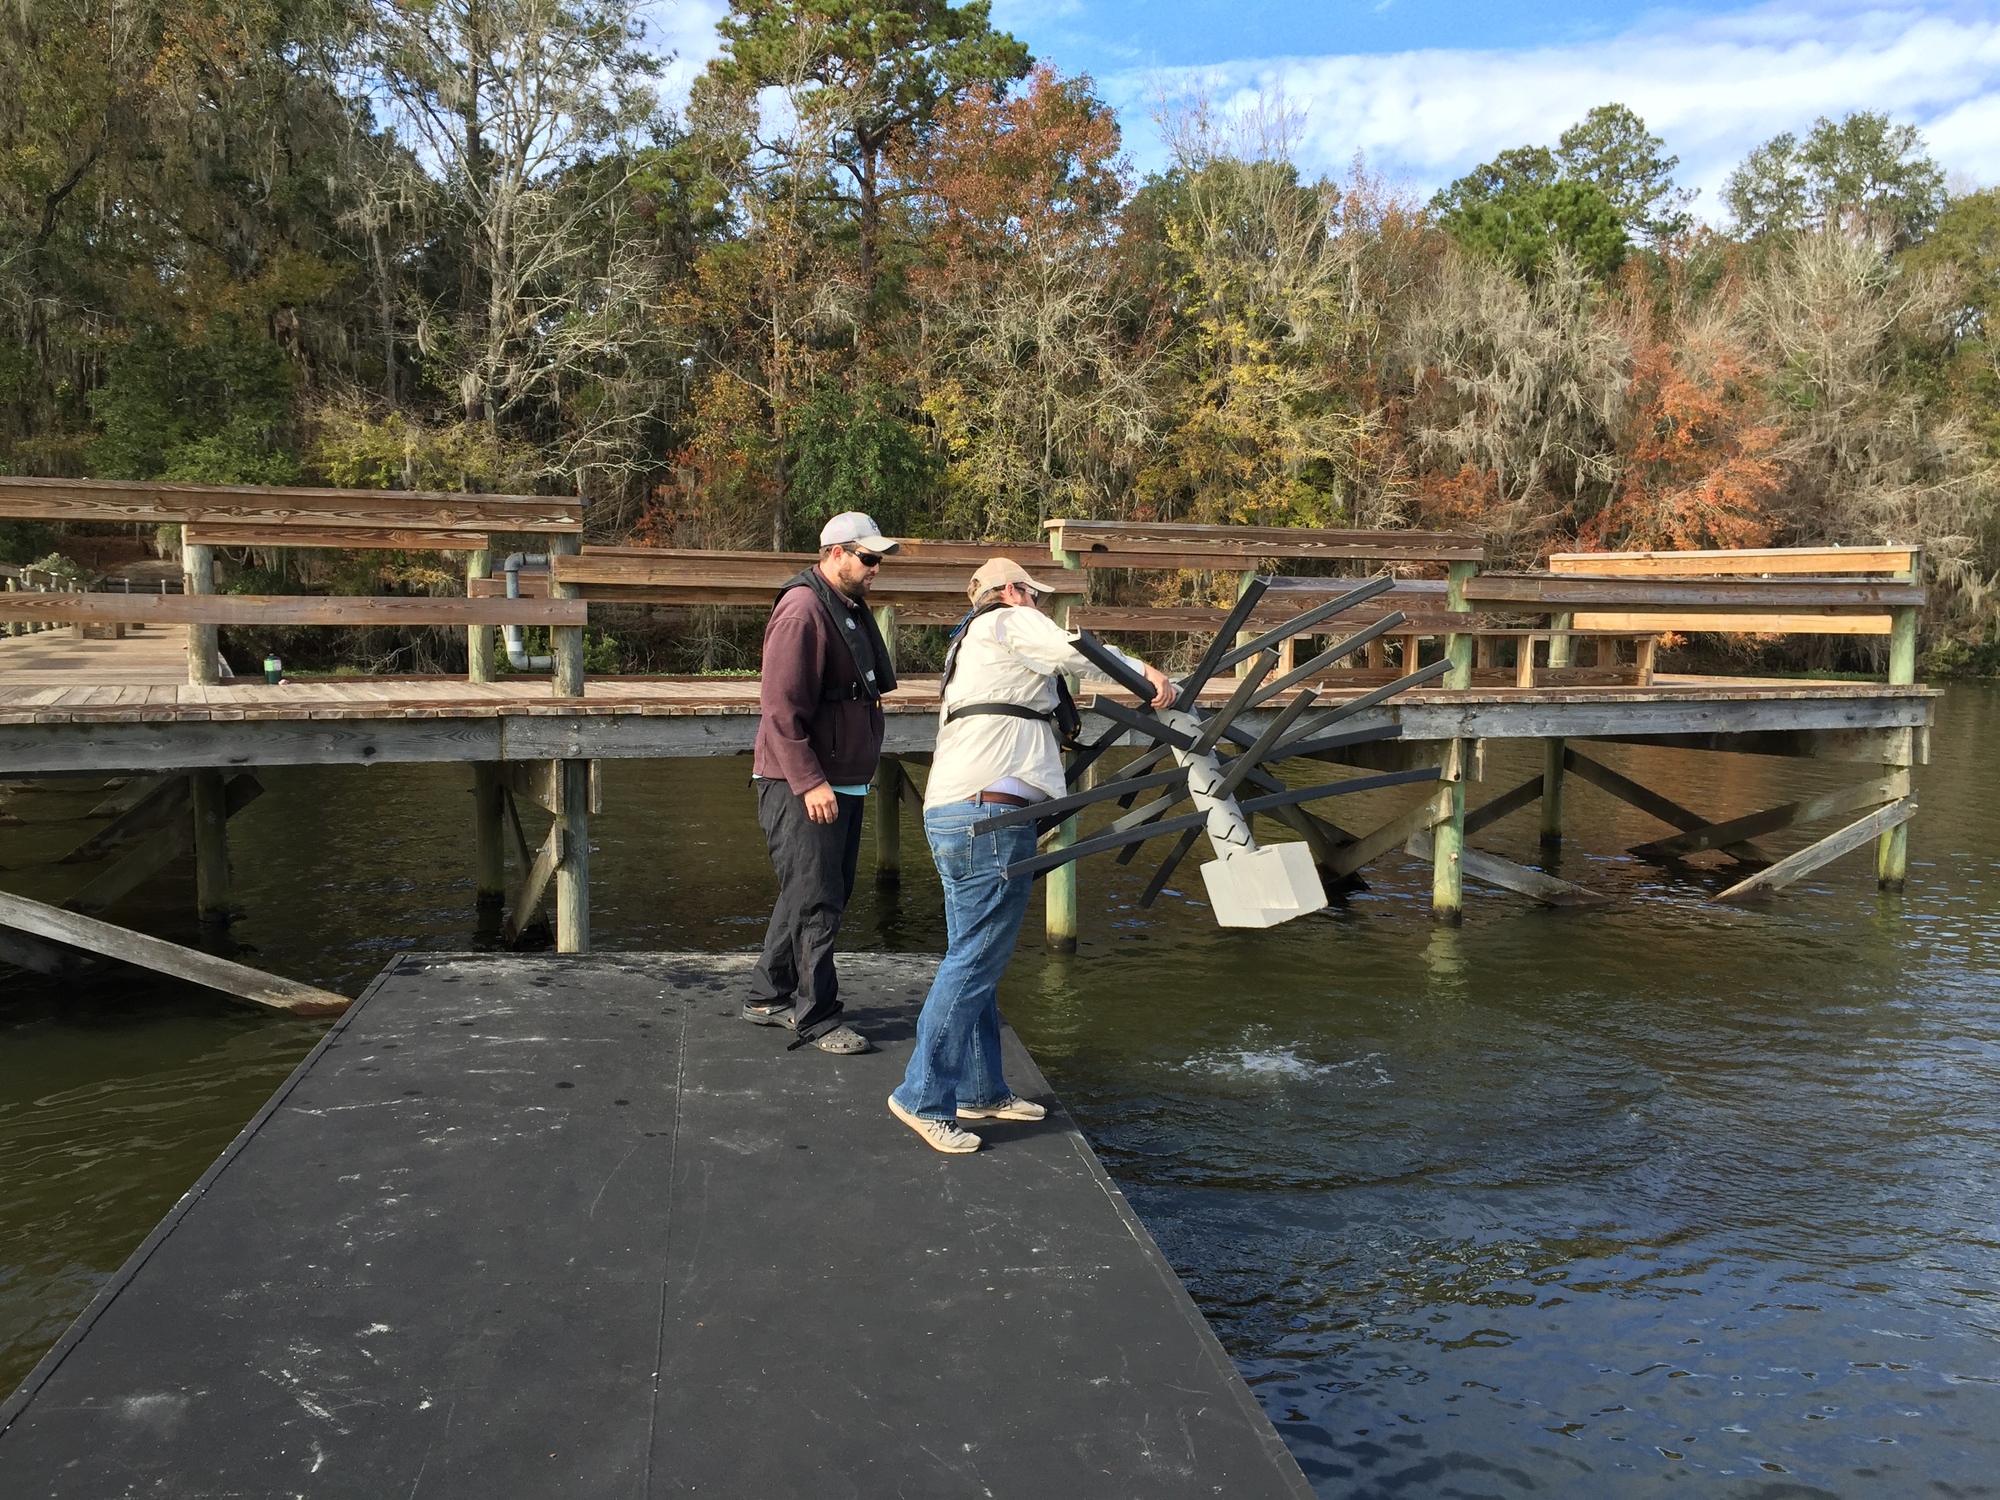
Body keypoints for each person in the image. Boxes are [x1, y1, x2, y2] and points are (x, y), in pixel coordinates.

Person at [887, 558, 1175, 1153]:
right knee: (973, 961)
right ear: (1012, 591)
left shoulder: (976, 643)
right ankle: (921, 1096)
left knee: (975, 958)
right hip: (987, 817)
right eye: (1035, 596)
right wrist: (1147, 675)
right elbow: (1075, 651)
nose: (1040, 606)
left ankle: (981, 1089)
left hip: (966, 814)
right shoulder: (1006, 620)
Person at [745, 511, 901, 1055]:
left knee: (812, 891)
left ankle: (767, 995)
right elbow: (779, 708)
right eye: (868, 558)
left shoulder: (847, 607)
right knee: (819, 902)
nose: (876, 568)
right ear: (836, 553)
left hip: (843, 778)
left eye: (879, 560)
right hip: (802, 782)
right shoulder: (802, 610)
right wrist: (810, 781)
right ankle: (818, 1019)